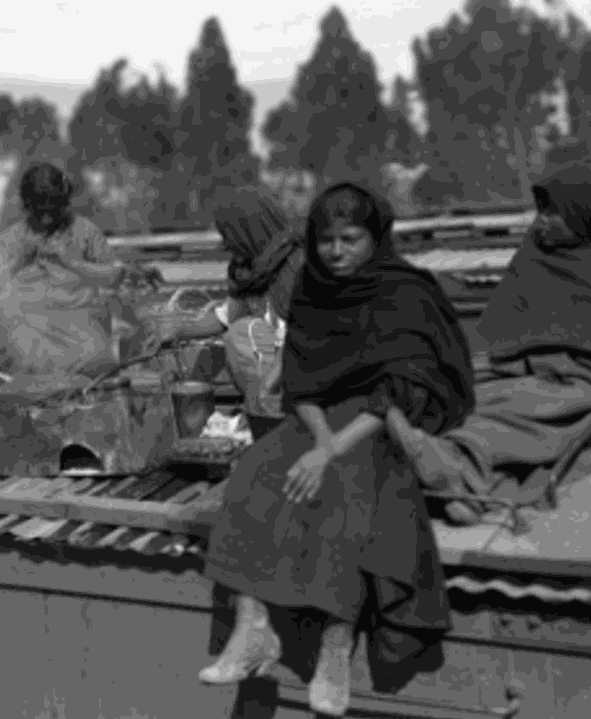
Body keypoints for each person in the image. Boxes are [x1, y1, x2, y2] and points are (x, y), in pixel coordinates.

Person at [199, 182, 475, 716]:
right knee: (255, 468)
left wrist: (329, 453)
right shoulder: (313, 286)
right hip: (321, 417)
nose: (336, 251)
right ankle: (253, 629)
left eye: (350, 239)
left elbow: (403, 390)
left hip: (384, 421)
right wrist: (320, 440)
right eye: (326, 240)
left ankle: (336, 643)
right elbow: (303, 378)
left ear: (375, 237)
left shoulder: (404, 291)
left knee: (348, 490)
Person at [387, 161, 591, 524]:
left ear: (584, 220)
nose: (540, 220)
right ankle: (451, 474)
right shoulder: (539, 249)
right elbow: (508, 325)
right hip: (516, 362)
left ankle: (455, 465)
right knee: (461, 389)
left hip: (590, 377)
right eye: (540, 210)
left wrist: (555, 365)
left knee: (528, 412)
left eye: (552, 213)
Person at [0, 163, 153, 394]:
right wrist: (19, 260)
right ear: (26, 207)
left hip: (81, 334)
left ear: (65, 202)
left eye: (54, 210)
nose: (47, 220)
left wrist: (71, 262)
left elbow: (114, 276)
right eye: (40, 212)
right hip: (32, 335)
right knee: (23, 359)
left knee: (95, 360)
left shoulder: (85, 233)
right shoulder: (12, 239)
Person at [165, 186, 305, 441]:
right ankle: (261, 416)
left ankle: (274, 421)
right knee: (240, 333)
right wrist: (174, 329)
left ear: (245, 232)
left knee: (243, 333)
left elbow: (303, 336)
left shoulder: (298, 268)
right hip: (272, 372)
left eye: (227, 234)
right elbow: (225, 316)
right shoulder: (248, 270)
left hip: (300, 369)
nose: (224, 244)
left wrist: (267, 385)